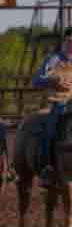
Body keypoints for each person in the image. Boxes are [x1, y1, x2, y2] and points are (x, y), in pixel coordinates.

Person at [33, 27, 72, 186]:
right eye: (70, 41)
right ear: (65, 41)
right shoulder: (53, 60)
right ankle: (47, 168)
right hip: (60, 104)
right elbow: (36, 81)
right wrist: (53, 81)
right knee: (50, 129)